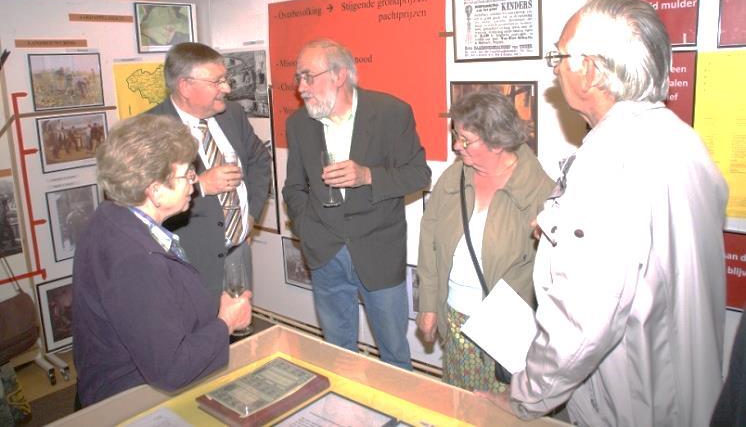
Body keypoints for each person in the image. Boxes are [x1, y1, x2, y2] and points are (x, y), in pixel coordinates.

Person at [483, 0, 728, 426]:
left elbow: (581, 324)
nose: (556, 68)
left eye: (560, 56)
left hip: (629, 403)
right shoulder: (682, 139)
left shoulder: (606, 160)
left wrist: (525, 397)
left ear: (590, 71)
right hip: (686, 391)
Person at [73, 114, 251, 406]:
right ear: (154, 190)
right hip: (136, 404)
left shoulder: (108, 218)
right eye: (186, 175)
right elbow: (171, 368)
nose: (194, 183)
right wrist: (226, 322)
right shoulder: (136, 260)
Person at [282, 38, 431, 370]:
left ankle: (398, 418)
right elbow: (294, 188)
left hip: (379, 251)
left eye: (308, 76)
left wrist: (368, 176)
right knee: (337, 351)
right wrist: (308, 231)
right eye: (299, 79)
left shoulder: (392, 112)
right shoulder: (299, 123)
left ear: (338, 75)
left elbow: (419, 175)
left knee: (393, 352)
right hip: (325, 254)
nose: (301, 87)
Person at [417, 92, 553, 394]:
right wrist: (428, 305)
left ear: (497, 142)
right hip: (454, 319)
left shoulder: (539, 191)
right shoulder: (455, 176)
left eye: (466, 140)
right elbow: (430, 241)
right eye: (456, 135)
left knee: (498, 411)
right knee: (460, 404)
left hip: (504, 330)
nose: (456, 146)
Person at [148, 42, 271, 310]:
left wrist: (251, 216)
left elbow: (260, 160)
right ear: (185, 86)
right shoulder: (151, 129)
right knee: (198, 342)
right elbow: (139, 200)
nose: (227, 88)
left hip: (238, 253)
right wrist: (200, 185)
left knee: (239, 339)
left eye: (225, 79)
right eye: (218, 82)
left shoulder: (232, 114)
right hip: (190, 263)